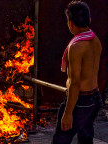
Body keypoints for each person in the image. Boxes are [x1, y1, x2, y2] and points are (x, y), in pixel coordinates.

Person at [52, 1, 103, 144]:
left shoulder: (76, 47)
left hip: (80, 101)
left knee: (61, 140)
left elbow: (75, 82)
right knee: (86, 138)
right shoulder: (95, 40)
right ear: (89, 20)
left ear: (71, 23)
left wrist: (68, 113)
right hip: (94, 98)